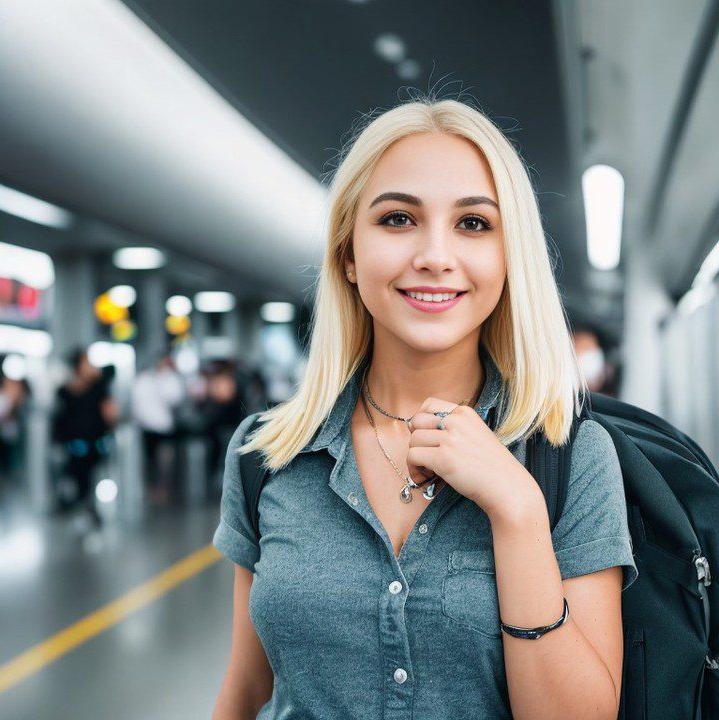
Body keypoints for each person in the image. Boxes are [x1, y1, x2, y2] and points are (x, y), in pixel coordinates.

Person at [211, 97, 637, 720]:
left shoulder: (569, 459)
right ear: (349, 255)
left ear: (508, 256)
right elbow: (248, 692)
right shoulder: (266, 454)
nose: (435, 255)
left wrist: (517, 511)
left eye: (473, 225)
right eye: (398, 219)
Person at [52, 348, 118, 528]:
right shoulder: (65, 391)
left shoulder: (98, 388)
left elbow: (110, 414)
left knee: (89, 480)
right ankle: (81, 507)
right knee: (78, 479)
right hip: (76, 446)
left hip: (91, 445)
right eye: (87, 361)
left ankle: (88, 509)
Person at [131, 352, 185, 506]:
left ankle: (163, 489)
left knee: (165, 461)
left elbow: (175, 399)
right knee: (149, 461)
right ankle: (151, 489)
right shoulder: (145, 379)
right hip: (147, 428)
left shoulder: (170, 379)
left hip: (164, 428)